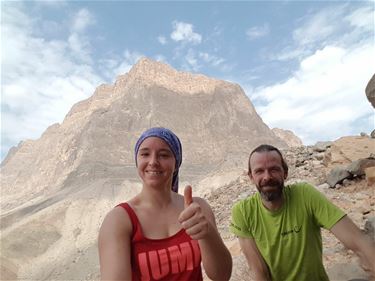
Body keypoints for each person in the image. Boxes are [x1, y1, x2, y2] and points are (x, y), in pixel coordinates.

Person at [99, 127, 232, 281]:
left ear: (176, 163)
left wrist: (208, 233)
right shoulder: (119, 220)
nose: (153, 162)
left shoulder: (197, 208)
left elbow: (222, 276)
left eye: (163, 155)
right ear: (137, 160)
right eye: (145, 154)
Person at [230, 144, 375, 281]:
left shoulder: (305, 195)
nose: (267, 177)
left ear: (285, 173)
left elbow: (356, 239)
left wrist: (369, 257)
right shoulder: (243, 212)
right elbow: (259, 273)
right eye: (259, 171)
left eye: (274, 169)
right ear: (251, 177)